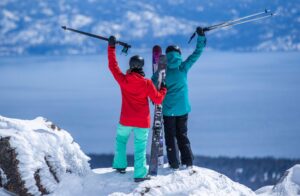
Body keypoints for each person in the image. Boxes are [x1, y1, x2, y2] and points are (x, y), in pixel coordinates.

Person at [107, 36, 167, 182]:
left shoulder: (123, 80)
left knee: (121, 141)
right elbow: (158, 99)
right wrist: (164, 89)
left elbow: (112, 66)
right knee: (139, 148)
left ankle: (120, 165)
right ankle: (139, 174)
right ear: (141, 66)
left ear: (131, 65)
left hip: (125, 119)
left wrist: (111, 47)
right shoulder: (146, 83)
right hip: (142, 121)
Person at [152, 27, 206, 170]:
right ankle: (188, 162)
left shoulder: (162, 71)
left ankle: (174, 163)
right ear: (179, 54)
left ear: (167, 56)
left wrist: (154, 94)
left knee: (171, 137)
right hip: (183, 109)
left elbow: (151, 83)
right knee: (182, 135)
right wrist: (201, 37)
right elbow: (197, 52)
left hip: (168, 110)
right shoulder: (183, 67)